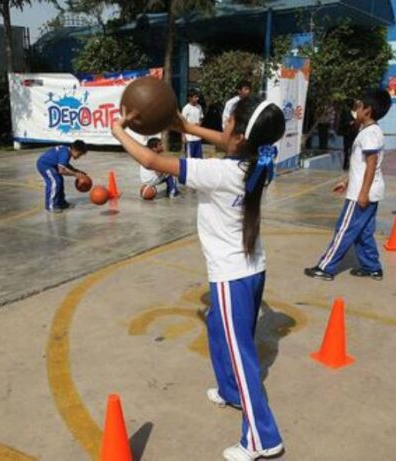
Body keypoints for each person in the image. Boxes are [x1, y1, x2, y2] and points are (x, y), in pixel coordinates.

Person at [113, 95, 286, 461]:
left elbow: (149, 159)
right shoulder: (262, 162)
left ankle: (262, 438)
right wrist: (184, 125)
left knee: (243, 357)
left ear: (238, 134)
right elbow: (229, 142)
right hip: (253, 269)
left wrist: (118, 129)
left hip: (231, 277)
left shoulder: (220, 173)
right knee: (216, 327)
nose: (222, 127)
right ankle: (229, 391)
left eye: (227, 122)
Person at [304, 89, 392, 281]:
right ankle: (372, 267)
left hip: (361, 194)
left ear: (367, 110)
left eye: (358, 106)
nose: (356, 110)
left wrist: (363, 193)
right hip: (368, 191)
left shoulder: (370, 134)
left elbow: (371, 165)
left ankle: (325, 268)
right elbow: (360, 165)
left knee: (344, 230)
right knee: (364, 232)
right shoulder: (370, 131)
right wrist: (346, 181)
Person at [36, 140, 88, 213]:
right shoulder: (65, 153)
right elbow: (62, 170)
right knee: (55, 182)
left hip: (51, 166)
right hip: (45, 165)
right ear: (75, 150)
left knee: (60, 181)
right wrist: (76, 174)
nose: (79, 157)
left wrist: (77, 171)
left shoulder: (66, 151)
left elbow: (64, 165)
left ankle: (61, 203)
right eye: (79, 154)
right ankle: (50, 206)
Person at [337, 99, 359, 171]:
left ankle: (353, 164)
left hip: (355, 133)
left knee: (354, 149)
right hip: (348, 133)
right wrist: (350, 123)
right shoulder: (347, 112)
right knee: (346, 149)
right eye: (355, 104)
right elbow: (343, 122)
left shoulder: (358, 113)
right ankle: (346, 165)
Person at [182, 90, 204, 158]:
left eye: (197, 97)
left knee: (199, 158)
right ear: (190, 98)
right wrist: (183, 136)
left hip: (198, 137)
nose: (197, 99)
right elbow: (182, 123)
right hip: (189, 138)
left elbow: (201, 118)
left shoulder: (199, 107)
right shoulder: (186, 108)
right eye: (195, 97)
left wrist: (199, 124)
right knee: (190, 159)